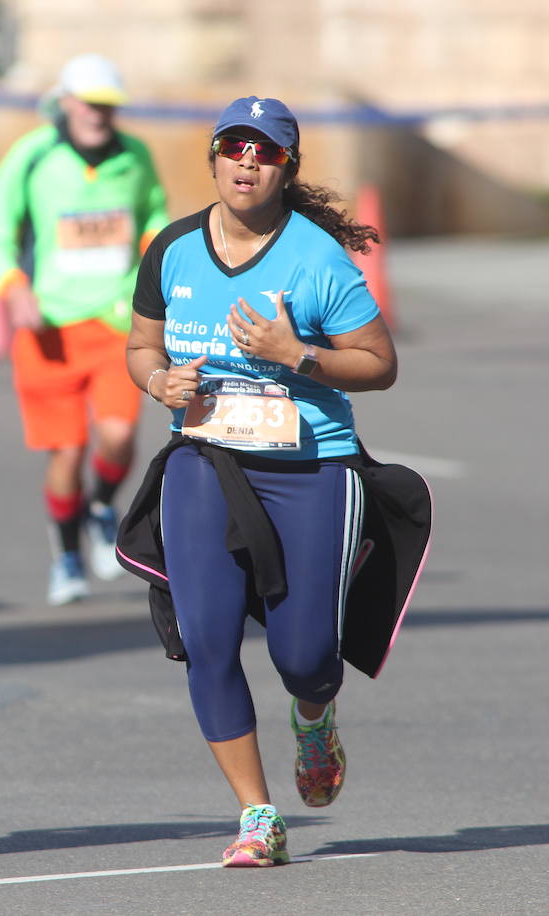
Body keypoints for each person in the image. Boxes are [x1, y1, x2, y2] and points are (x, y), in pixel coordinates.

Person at [120, 96, 430, 867]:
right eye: (234, 146)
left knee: (305, 658)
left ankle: (314, 716)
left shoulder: (316, 260)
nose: (247, 161)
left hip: (310, 466)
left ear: (286, 167)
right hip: (205, 461)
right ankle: (258, 816)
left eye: (265, 151)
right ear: (214, 157)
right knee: (206, 640)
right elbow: (139, 346)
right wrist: (157, 381)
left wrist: (298, 355)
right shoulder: (173, 249)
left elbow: (381, 365)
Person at [0, 53, 169, 606]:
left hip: (117, 322)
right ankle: (68, 555)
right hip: (49, 327)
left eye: (108, 105)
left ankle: (102, 506)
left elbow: (155, 215)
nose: (99, 114)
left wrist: (156, 262)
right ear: (66, 102)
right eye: (89, 103)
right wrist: (13, 288)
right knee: (66, 453)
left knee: (120, 436)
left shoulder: (135, 155)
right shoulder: (33, 155)